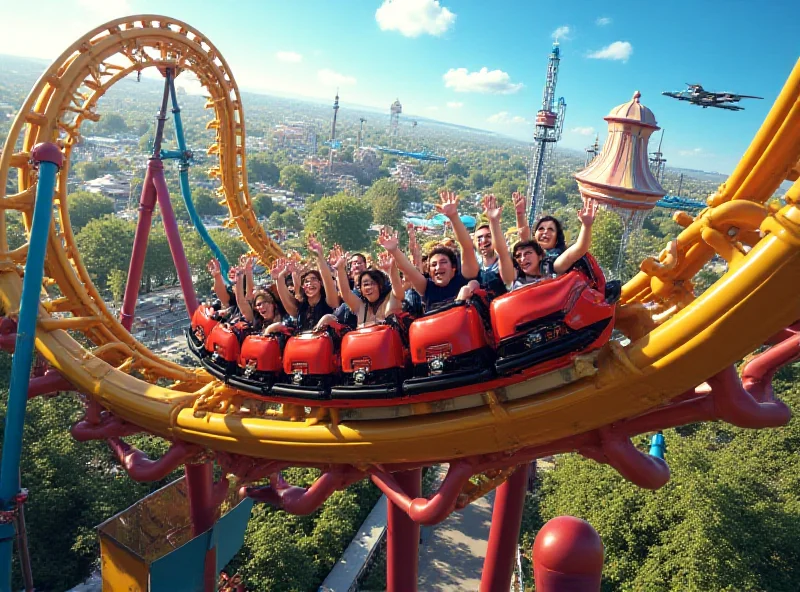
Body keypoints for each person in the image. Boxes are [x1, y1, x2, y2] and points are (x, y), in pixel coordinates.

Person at [380, 191, 480, 311]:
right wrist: (394, 250)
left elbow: (467, 247)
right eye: (433, 265)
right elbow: (409, 269)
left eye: (443, 262)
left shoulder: (464, 279)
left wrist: (453, 217)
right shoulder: (427, 287)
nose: (438, 268)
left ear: (453, 267)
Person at [511, 199, 600, 289]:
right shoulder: (526, 256)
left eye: (551, 229)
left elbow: (579, 249)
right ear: (535, 236)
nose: (545, 232)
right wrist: (520, 214)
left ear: (557, 239)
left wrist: (586, 225)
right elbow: (523, 237)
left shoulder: (555, 263)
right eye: (541, 229)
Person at [267, 234, 341, 333]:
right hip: (301, 346)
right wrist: (279, 278)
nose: (310, 283)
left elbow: (327, 280)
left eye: (314, 279)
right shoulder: (299, 307)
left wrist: (319, 257)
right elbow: (285, 298)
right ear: (303, 287)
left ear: (320, 284)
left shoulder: (329, 302)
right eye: (306, 281)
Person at [318, 251, 405, 329]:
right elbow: (346, 293)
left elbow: (397, 290)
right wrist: (340, 268)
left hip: (389, 346)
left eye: (373, 283)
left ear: (380, 286)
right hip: (364, 346)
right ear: (361, 290)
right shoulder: (361, 307)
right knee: (327, 317)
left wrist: (392, 269)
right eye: (366, 284)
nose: (369, 287)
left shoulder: (391, 301)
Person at [474, 194, 516, 296]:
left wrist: (494, 221)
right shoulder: (475, 268)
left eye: (488, 236)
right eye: (479, 238)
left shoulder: (505, 263)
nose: (483, 241)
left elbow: (502, 252)